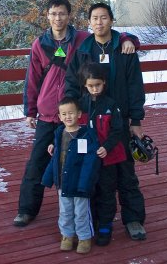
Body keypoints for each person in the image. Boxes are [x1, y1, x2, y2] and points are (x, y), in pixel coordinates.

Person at [13, 0, 139, 227]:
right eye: (53, 14)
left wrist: (130, 38)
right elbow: (32, 79)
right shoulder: (40, 44)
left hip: (81, 116)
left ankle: (91, 217)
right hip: (51, 112)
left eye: (62, 13)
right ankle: (27, 209)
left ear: (69, 16)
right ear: (47, 16)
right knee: (37, 162)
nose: (58, 18)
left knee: (93, 163)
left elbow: (108, 32)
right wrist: (30, 109)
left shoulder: (80, 39)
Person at [65, 2, 146, 243]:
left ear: (111, 20)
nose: (99, 22)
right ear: (89, 23)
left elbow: (135, 86)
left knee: (125, 172)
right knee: (94, 171)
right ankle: (100, 222)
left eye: (103, 17)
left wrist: (136, 120)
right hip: (89, 121)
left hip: (118, 120)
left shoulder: (124, 48)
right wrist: (71, 115)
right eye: (94, 18)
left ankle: (133, 219)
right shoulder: (83, 50)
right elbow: (71, 84)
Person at [42, 97, 101, 254]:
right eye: (64, 114)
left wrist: (84, 183)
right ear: (59, 117)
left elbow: (90, 161)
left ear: (79, 114)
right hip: (63, 182)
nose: (68, 117)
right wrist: (49, 177)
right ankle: (67, 235)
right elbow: (55, 159)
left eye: (71, 113)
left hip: (80, 183)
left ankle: (84, 237)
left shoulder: (86, 135)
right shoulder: (59, 133)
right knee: (65, 211)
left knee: (81, 212)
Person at [78, 62, 127, 246]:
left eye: (98, 85)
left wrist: (106, 146)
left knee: (107, 191)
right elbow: (74, 129)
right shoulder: (81, 104)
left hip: (108, 158)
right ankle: (93, 222)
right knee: (90, 190)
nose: (95, 89)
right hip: (88, 160)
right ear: (85, 85)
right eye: (90, 85)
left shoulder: (111, 105)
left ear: (104, 83)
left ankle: (105, 225)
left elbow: (117, 130)